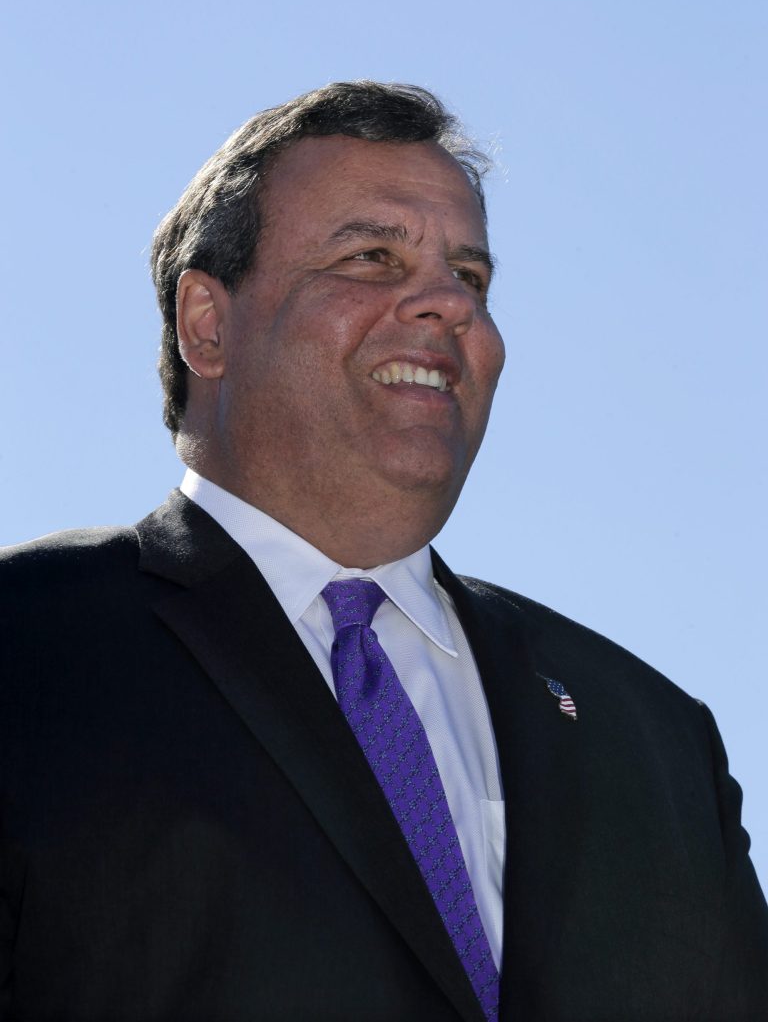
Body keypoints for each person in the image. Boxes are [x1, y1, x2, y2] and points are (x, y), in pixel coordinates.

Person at [1, 82, 766, 1022]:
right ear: (207, 323)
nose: (449, 305)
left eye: (471, 279)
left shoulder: (651, 734)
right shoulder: (29, 645)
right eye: (372, 257)